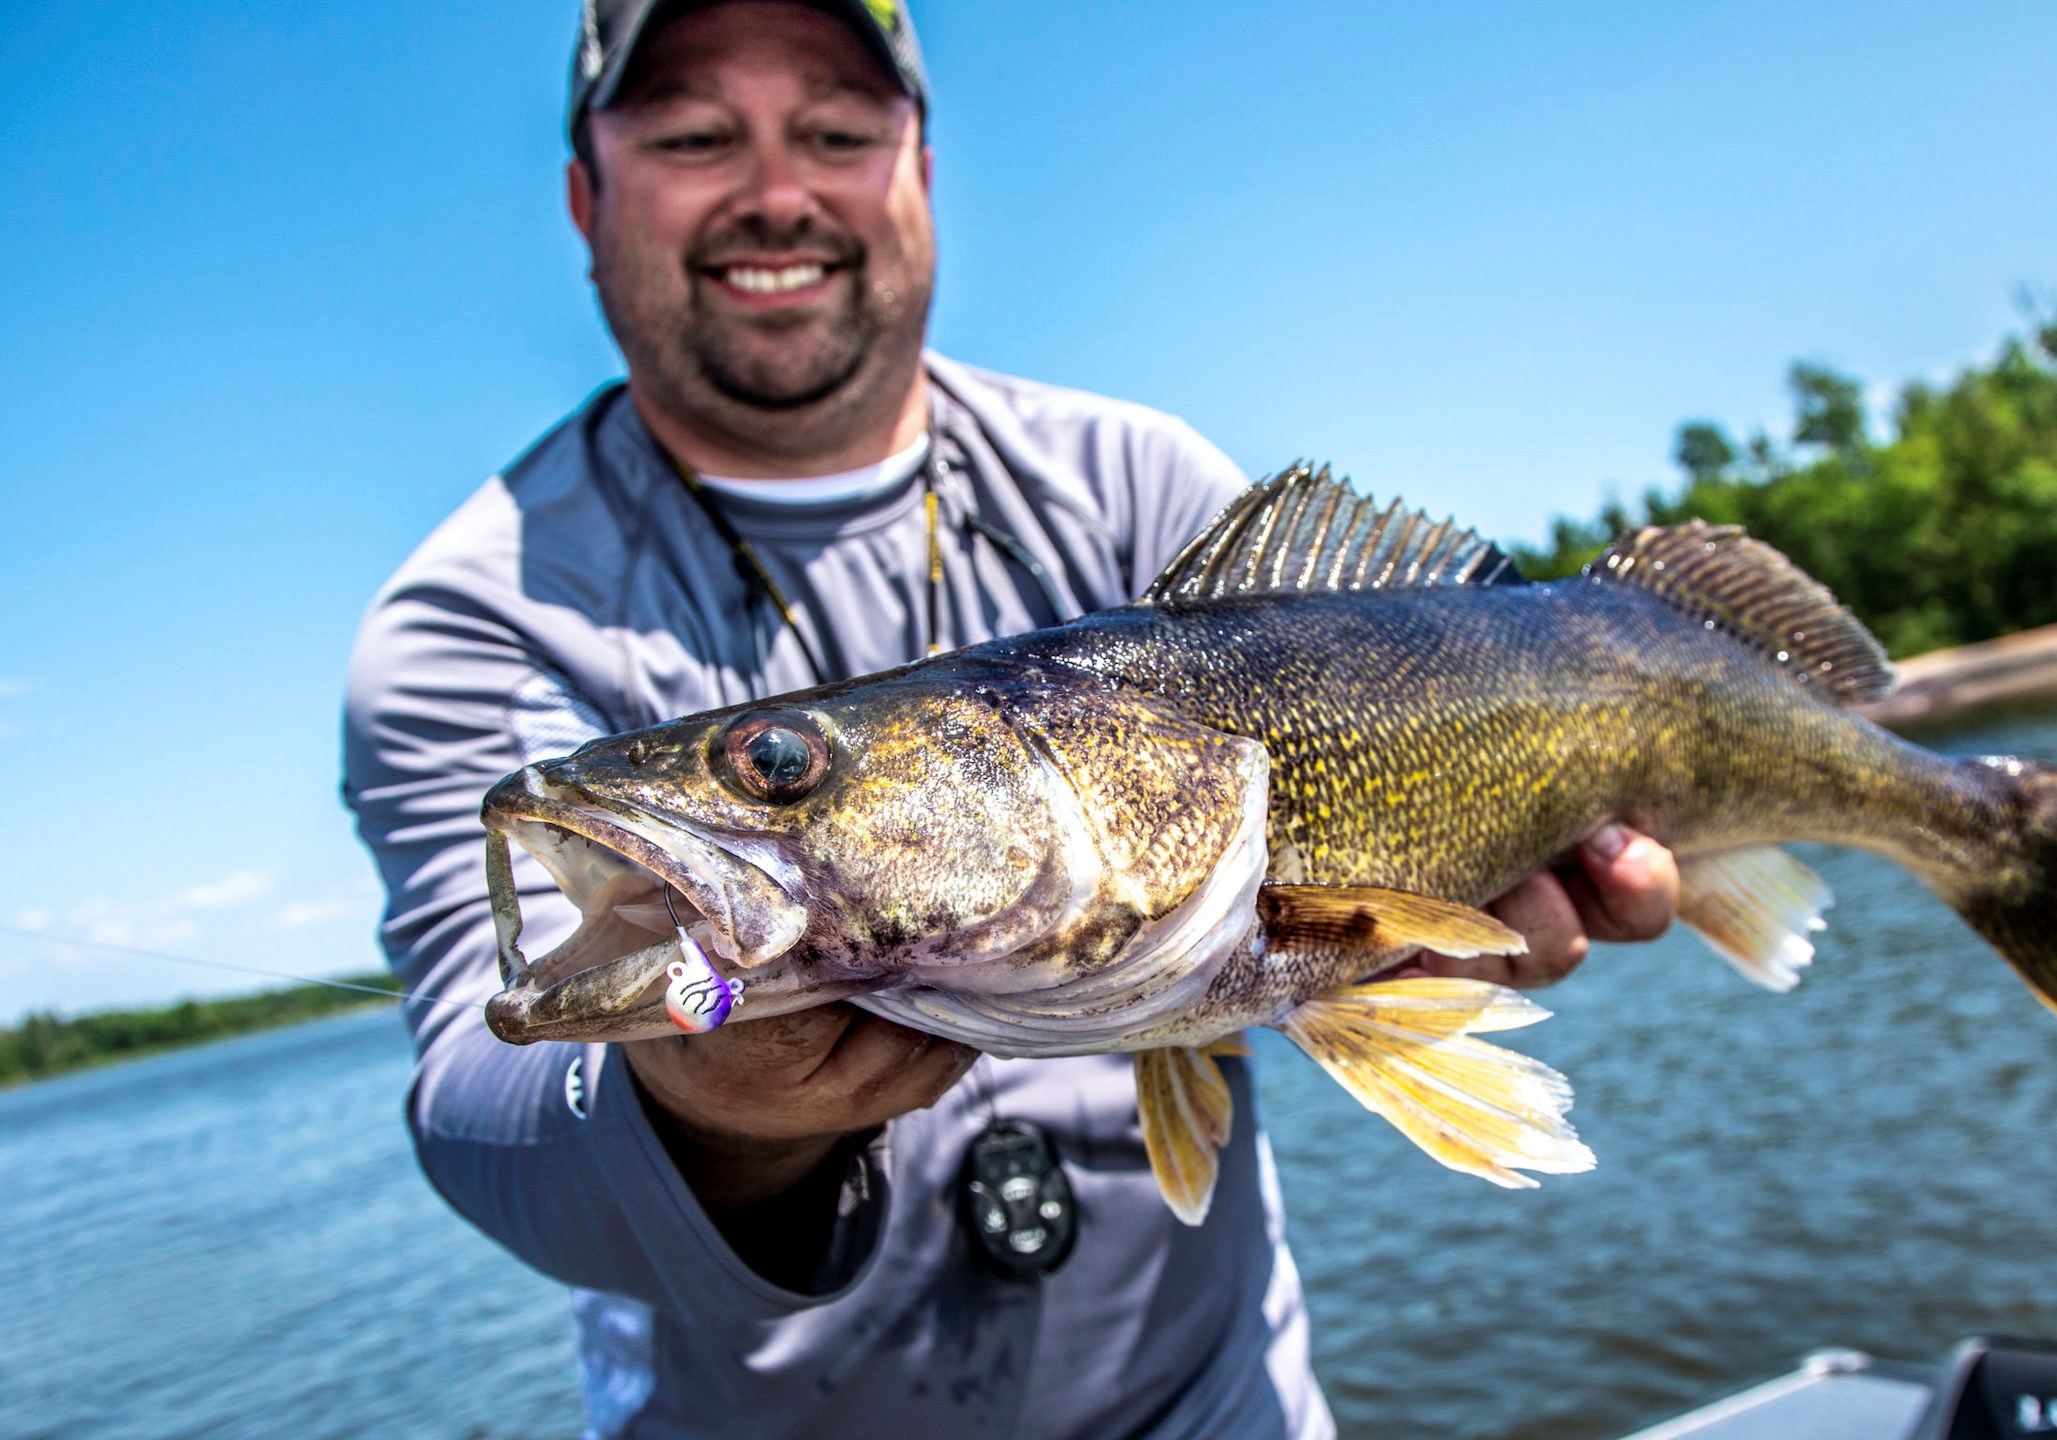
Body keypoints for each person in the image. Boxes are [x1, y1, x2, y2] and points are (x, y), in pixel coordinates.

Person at [341, 3, 1680, 1435]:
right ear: (582, 197)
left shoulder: (1136, 482)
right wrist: (704, 1071)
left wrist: (1434, 929)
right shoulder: (473, 619)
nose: (777, 192)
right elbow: (487, 1111)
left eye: (840, 132)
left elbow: (1344, 917)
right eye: (691, 135)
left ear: (919, 168)